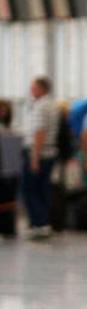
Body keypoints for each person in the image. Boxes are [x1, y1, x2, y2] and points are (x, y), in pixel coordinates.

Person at [20, 76, 59, 239]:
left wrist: (35, 157)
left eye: (33, 87)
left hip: (38, 154)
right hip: (48, 154)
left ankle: (38, 223)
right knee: (43, 189)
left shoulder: (41, 106)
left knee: (30, 189)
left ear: (42, 89)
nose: (31, 90)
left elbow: (39, 132)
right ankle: (44, 223)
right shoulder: (51, 105)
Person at [0, 100, 18, 238]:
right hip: (5, 168)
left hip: (10, 170)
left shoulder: (12, 128)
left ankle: (8, 228)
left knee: (8, 199)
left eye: (4, 109)